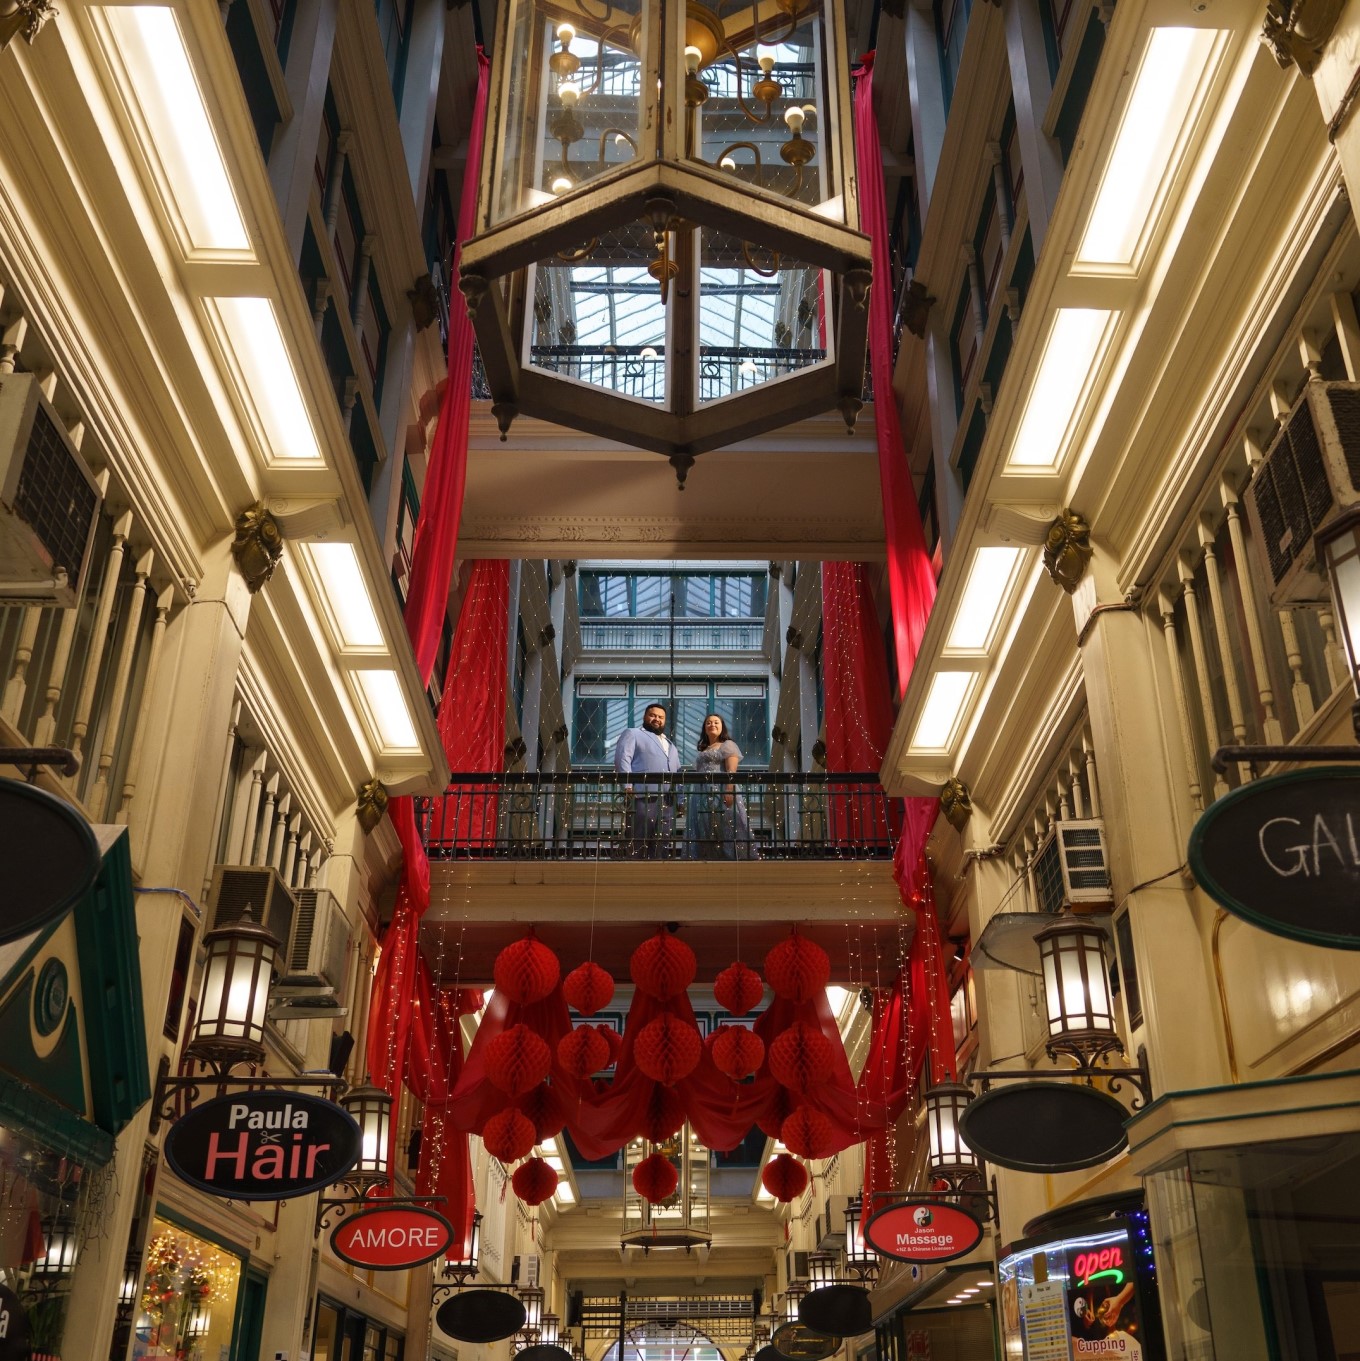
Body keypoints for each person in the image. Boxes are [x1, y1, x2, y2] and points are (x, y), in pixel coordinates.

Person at [613, 702, 683, 858]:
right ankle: (635, 874)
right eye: (653, 715)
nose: (657, 719)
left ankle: (659, 874)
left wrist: (681, 799)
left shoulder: (671, 744)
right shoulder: (633, 733)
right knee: (639, 839)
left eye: (661, 717)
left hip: (668, 801)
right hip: (642, 796)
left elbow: (678, 773)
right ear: (645, 717)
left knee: (663, 840)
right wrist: (627, 786)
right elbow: (622, 759)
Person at [688, 713, 759, 860]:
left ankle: (731, 858)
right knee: (704, 825)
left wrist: (729, 790)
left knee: (725, 824)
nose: (712, 725)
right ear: (704, 728)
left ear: (722, 727)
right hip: (702, 793)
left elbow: (731, 771)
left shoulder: (728, 745)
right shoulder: (704, 749)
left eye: (716, 722)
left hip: (719, 790)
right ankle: (708, 857)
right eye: (708, 722)